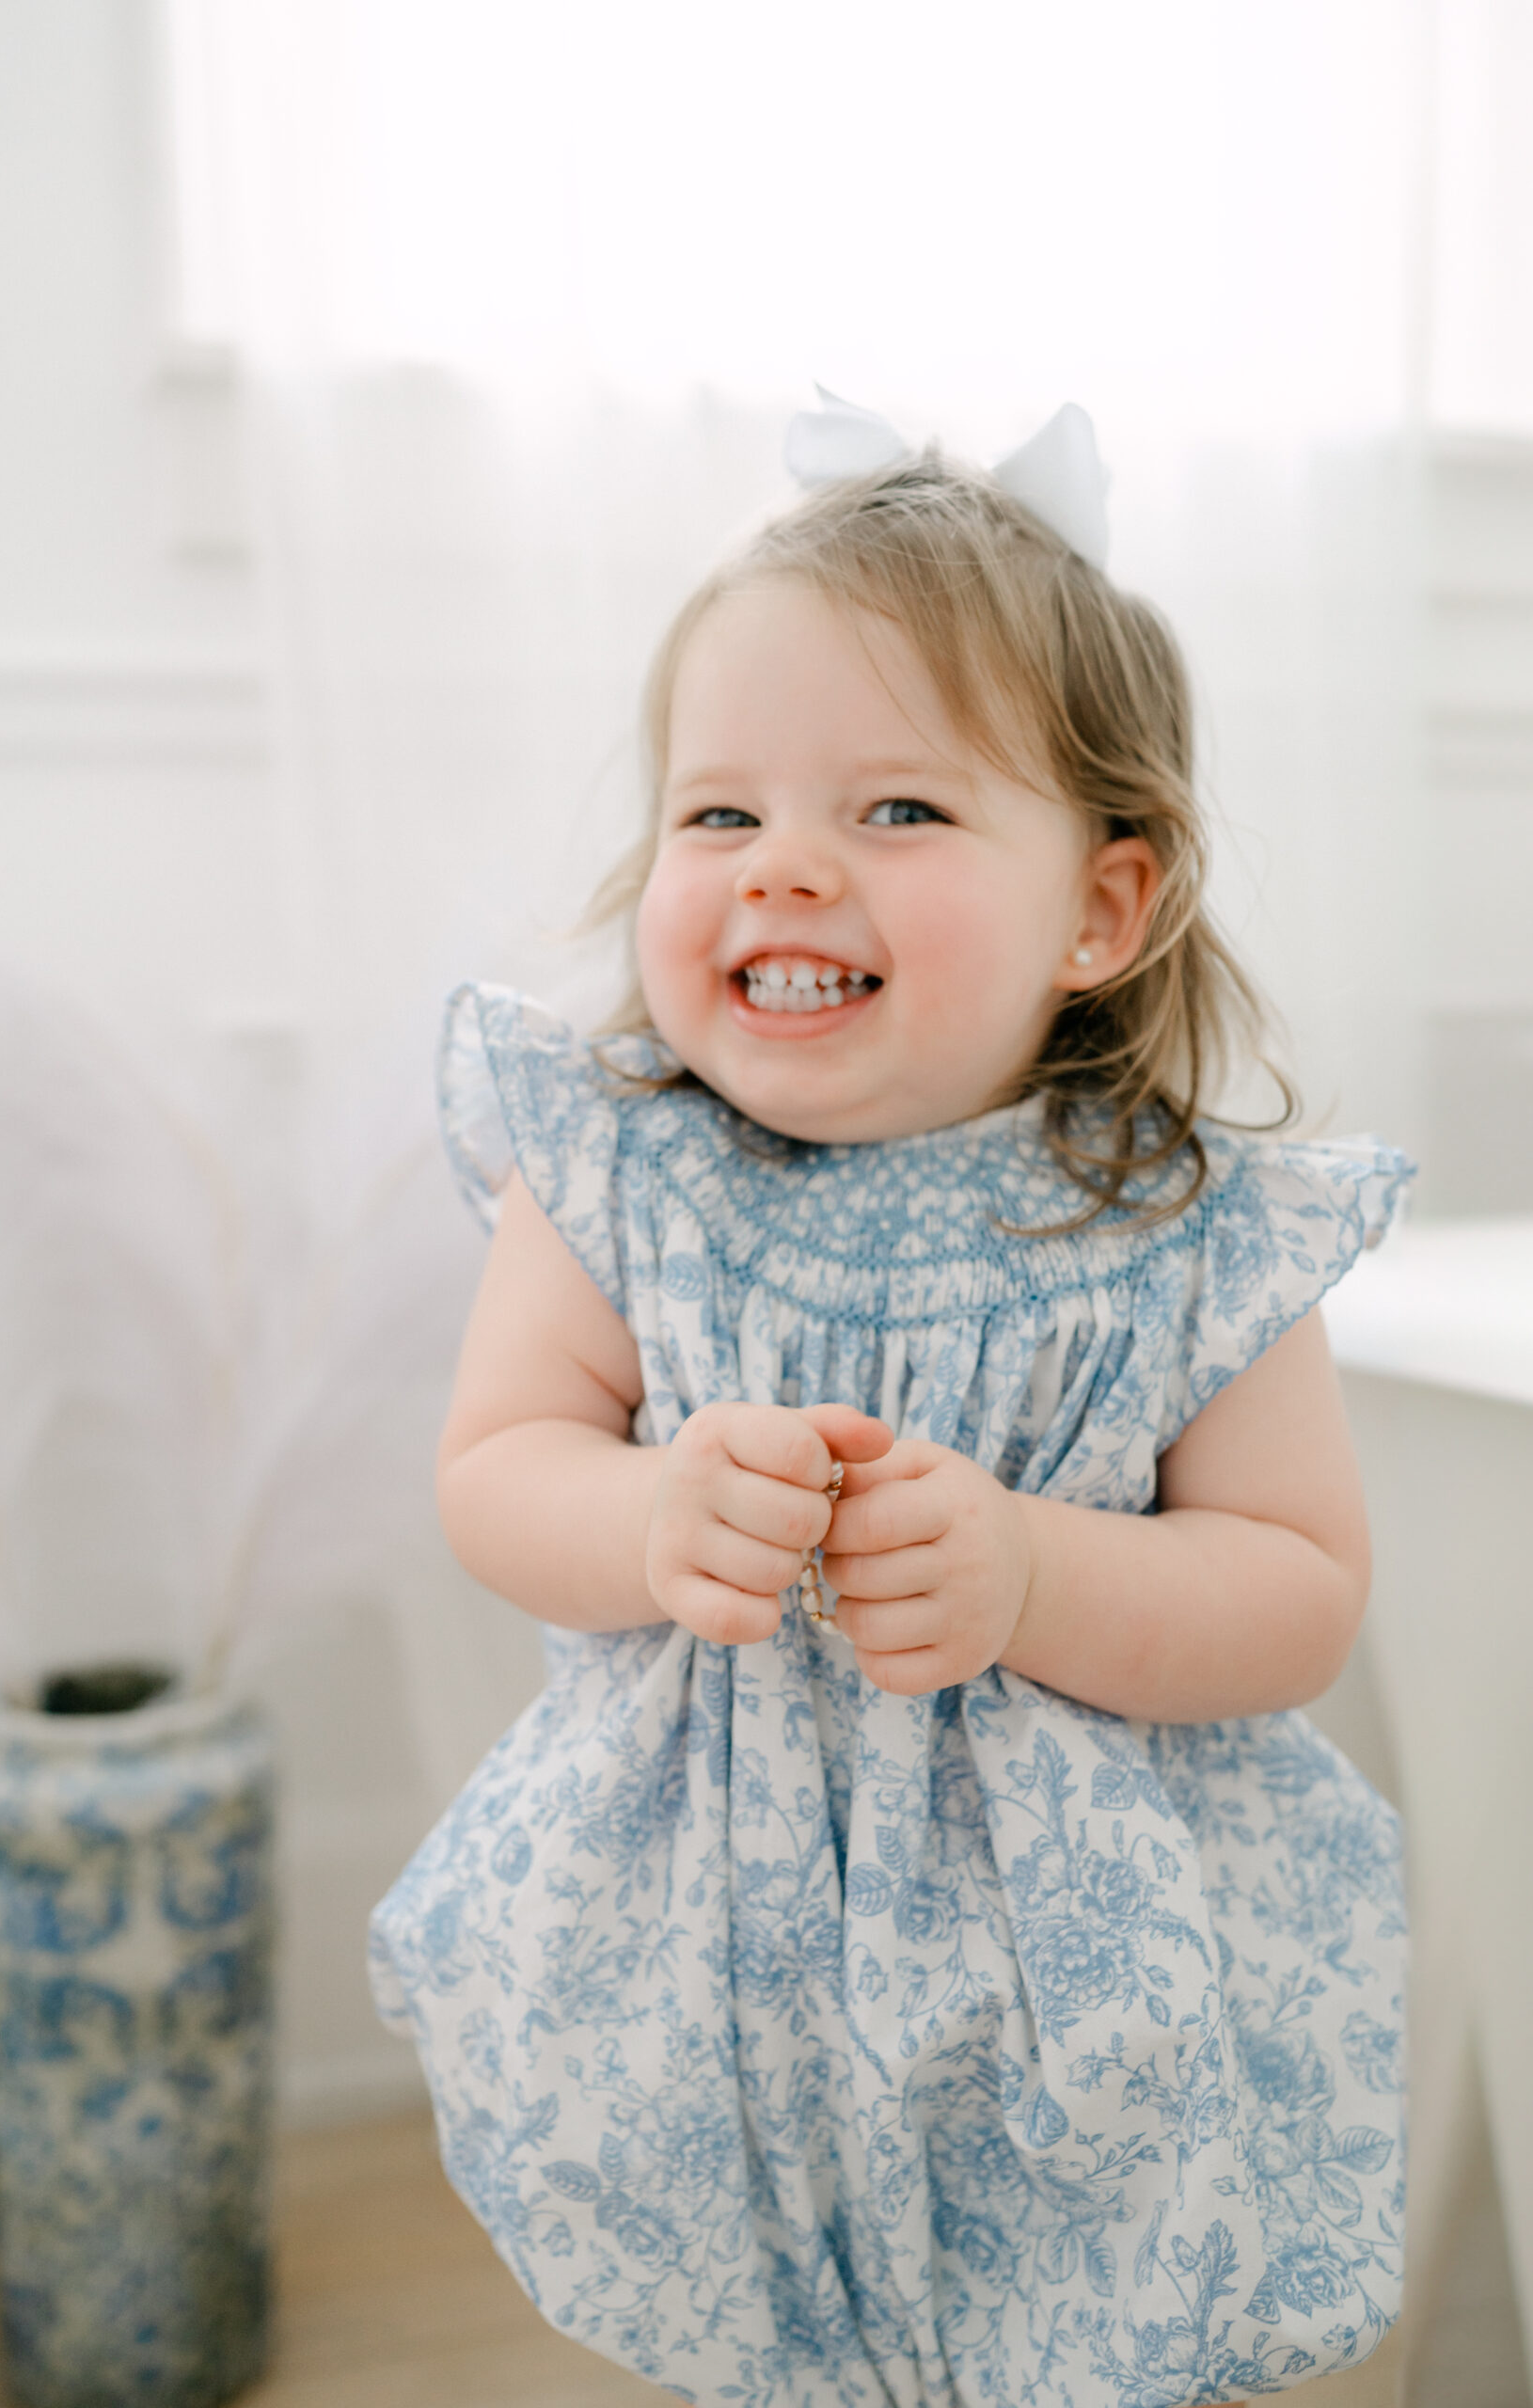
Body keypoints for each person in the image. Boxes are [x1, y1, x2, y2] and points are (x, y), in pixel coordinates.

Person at [370, 401, 1409, 2408]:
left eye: (900, 812)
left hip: (1074, 1986)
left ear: (1101, 910)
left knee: (1078, 2346)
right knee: (761, 2341)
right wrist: (650, 1509)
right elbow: (498, 1470)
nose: (787, 872)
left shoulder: (1184, 1228)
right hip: (711, 1950)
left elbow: (1297, 1588)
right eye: (720, 813)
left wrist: (1032, 1568)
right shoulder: (621, 1176)